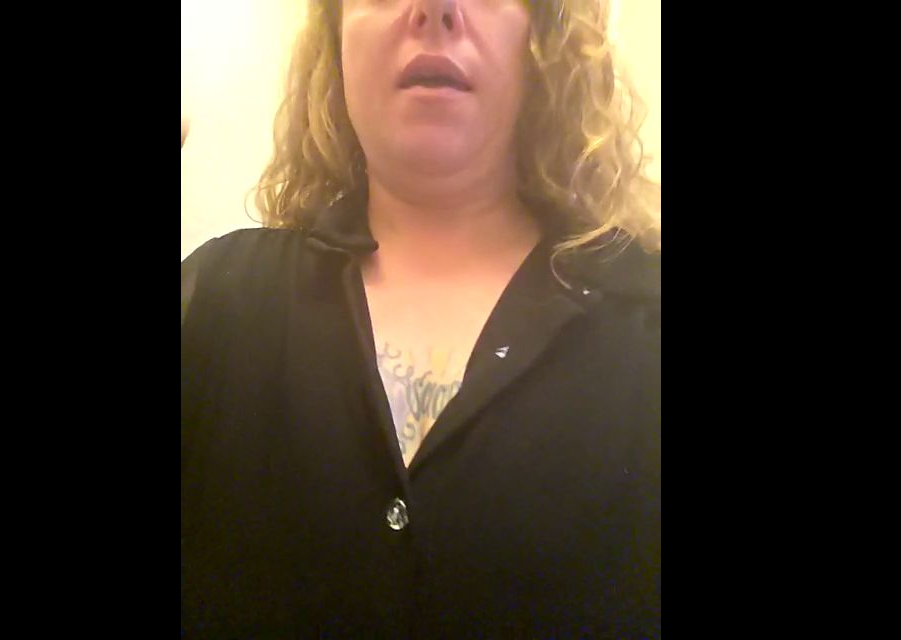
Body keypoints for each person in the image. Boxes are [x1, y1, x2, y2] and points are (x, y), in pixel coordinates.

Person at [181, 0, 660, 636]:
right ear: (335, 37)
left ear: (545, 35)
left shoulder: (646, 318)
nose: (436, 7)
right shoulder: (213, 299)